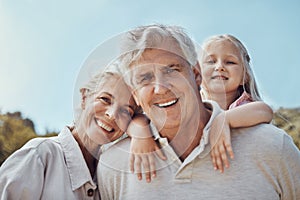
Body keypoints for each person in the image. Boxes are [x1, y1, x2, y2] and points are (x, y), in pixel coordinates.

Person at [97, 24, 300, 199]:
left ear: (196, 75)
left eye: (171, 70)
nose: (160, 88)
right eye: (145, 78)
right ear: (135, 94)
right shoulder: (112, 166)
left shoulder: (272, 146)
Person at [0, 65, 139, 199]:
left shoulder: (111, 172)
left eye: (126, 111)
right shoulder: (39, 155)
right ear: (84, 97)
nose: (112, 114)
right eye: (105, 99)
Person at [199, 34, 274, 172]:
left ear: (244, 77)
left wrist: (224, 119)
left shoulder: (245, 105)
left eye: (230, 62)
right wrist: (144, 126)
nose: (219, 67)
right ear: (197, 74)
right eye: (211, 61)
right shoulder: (193, 106)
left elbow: (265, 111)